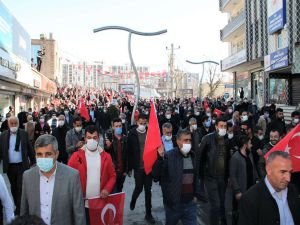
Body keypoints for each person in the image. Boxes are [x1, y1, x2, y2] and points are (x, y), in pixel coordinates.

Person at [21, 134, 86, 225]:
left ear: (56, 154)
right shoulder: (27, 176)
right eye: (39, 154)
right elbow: (24, 212)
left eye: (48, 154)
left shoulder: (72, 176)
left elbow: (79, 215)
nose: (43, 158)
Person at [68, 125, 116, 225]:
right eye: (89, 138)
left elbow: (112, 176)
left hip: (100, 202)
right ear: (85, 138)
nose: (91, 140)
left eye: (94, 138)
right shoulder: (76, 157)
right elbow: (69, 177)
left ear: (99, 138)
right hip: (82, 204)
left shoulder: (107, 157)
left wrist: (107, 189)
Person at [238, 151, 300, 225]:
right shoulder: (250, 199)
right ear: (268, 170)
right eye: (283, 172)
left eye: (290, 172)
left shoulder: (293, 190)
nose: (288, 178)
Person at [152, 129, 200, 225]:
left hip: (190, 204)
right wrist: (159, 159)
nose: (188, 143)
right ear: (178, 141)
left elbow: (196, 178)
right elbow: (156, 176)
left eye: (190, 140)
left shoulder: (193, 156)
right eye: (185, 140)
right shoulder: (169, 156)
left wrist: (196, 195)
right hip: (173, 205)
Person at [196, 117, 230, 225]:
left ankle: (223, 221)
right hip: (210, 177)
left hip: (222, 178)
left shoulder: (227, 140)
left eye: (225, 126)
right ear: (216, 127)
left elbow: (228, 159)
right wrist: (200, 177)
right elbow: (200, 158)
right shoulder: (208, 139)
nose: (223, 128)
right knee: (215, 205)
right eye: (221, 126)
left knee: (222, 202)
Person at [0, 116, 36, 215]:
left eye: (15, 123)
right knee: (13, 187)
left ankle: (20, 209)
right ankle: (17, 205)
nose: (13, 126)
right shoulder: (3, 135)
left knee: (21, 187)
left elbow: (29, 149)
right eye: (11, 124)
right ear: (8, 124)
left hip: (22, 166)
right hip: (10, 166)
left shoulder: (23, 134)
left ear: (18, 124)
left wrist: (33, 161)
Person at [128, 114, 155, 224]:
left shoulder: (150, 132)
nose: (142, 125)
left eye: (144, 123)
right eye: (141, 123)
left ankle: (148, 214)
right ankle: (134, 199)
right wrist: (129, 168)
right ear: (137, 122)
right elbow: (129, 152)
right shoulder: (132, 134)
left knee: (148, 191)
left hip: (148, 167)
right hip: (138, 167)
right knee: (139, 188)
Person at [225, 135, 258, 225]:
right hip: (241, 191)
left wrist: (257, 179)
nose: (251, 145)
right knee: (238, 213)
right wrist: (237, 191)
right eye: (250, 143)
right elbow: (232, 175)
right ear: (245, 145)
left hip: (250, 190)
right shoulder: (235, 157)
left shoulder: (249, 154)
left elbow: (253, 168)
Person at [104, 118, 128, 192]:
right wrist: (108, 146)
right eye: (116, 126)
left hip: (122, 171)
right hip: (113, 171)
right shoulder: (109, 139)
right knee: (114, 191)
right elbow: (106, 152)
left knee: (120, 190)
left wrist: (126, 170)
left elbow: (128, 155)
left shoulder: (125, 139)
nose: (118, 128)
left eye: (120, 126)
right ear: (113, 127)